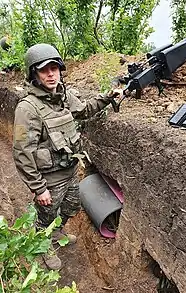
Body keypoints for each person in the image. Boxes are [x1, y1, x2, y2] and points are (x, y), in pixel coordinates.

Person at [13, 43, 122, 270]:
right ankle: (43, 245)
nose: (51, 74)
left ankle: (56, 232)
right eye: (44, 70)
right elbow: (22, 152)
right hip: (49, 179)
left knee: (71, 207)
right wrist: (38, 188)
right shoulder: (28, 108)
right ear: (34, 73)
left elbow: (84, 110)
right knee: (45, 217)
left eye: (55, 68)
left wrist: (107, 97)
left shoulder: (63, 95)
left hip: (71, 170)